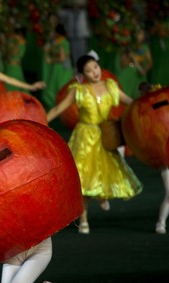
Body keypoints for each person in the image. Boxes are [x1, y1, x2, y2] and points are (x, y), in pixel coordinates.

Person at [46, 54, 142, 234]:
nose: (94, 72)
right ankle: (83, 219)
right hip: (84, 138)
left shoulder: (110, 86)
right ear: (83, 74)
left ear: (100, 67)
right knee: (83, 181)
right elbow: (60, 108)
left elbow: (130, 102)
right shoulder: (78, 90)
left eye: (95, 68)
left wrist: (147, 104)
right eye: (88, 70)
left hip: (106, 135)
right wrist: (42, 121)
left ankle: (102, 195)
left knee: (107, 172)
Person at [42, 23, 74, 109]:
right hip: (58, 68)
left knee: (59, 86)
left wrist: (51, 60)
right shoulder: (57, 41)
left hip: (61, 69)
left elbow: (62, 58)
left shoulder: (62, 42)